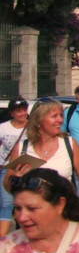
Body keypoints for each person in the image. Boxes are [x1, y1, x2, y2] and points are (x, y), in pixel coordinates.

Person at [5, 100, 79, 231]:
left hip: (65, 216)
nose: (60, 120)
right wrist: (17, 178)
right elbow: (7, 184)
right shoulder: (22, 148)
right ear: (38, 120)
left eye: (61, 116)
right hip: (32, 221)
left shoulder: (69, 144)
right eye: (54, 116)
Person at [0, 98, 29, 237]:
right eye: (18, 111)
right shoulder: (3, 128)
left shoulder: (33, 127)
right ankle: (3, 238)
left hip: (28, 168)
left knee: (25, 202)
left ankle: (22, 233)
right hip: (7, 168)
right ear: (12, 113)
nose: (22, 114)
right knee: (6, 203)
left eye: (24, 110)